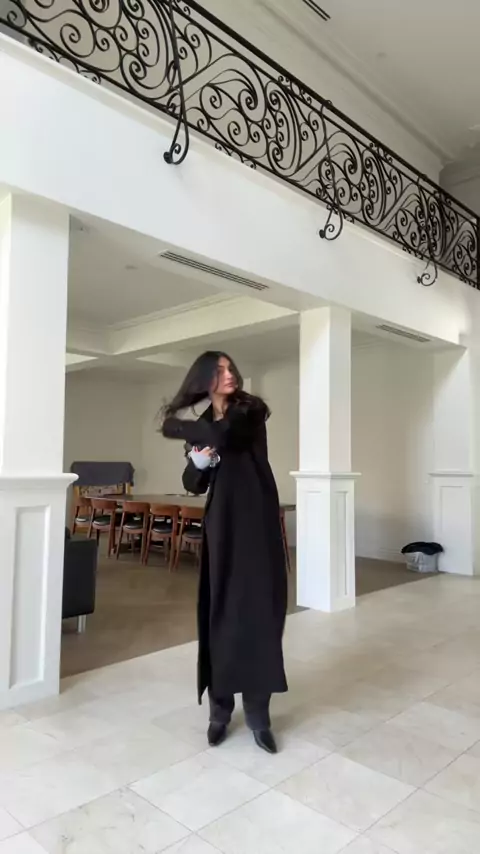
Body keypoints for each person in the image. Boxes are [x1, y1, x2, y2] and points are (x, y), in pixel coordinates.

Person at [162, 351, 288, 754]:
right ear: (205, 379)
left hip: (257, 520)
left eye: (230, 367)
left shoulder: (250, 410)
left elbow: (225, 435)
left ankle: (258, 716)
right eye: (218, 371)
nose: (229, 374)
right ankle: (220, 711)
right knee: (219, 613)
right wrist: (197, 463)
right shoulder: (203, 424)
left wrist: (174, 426)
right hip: (222, 524)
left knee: (259, 616)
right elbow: (192, 483)